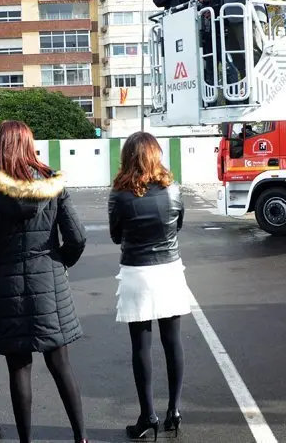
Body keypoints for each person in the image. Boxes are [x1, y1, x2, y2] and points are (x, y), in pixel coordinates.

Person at [0, 120, 89, 443]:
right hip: (49, 284)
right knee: (60, 363)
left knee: (19, 368)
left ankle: (26, 441)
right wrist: (59, 263)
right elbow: (76, 237)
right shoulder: (53, 185)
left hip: (7, 288)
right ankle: (81, 437)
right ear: (29, 146)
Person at [108, 132, 192, 441]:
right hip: (169, 269)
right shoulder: (173, 190)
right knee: (173, 342)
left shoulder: (119, 194)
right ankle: (175, 411)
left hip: (136, 272)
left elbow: (117, 236)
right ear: (156, 155)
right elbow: (178, 226)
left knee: (141, 347)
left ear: (128, 156)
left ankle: (147, 416)